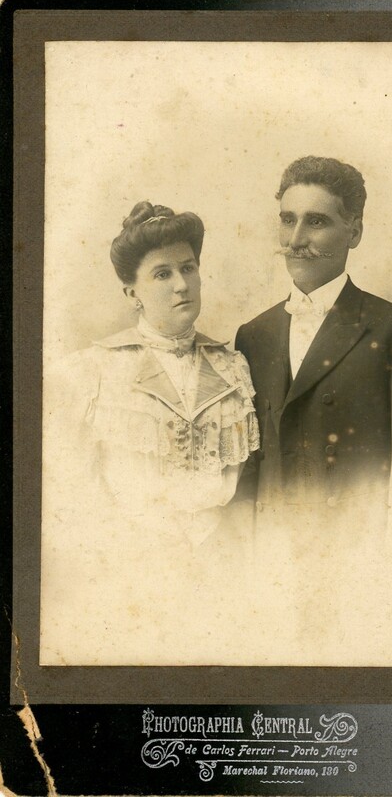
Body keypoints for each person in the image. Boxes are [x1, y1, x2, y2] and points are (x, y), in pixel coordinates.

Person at [234, 157, 392, 665]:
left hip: (358, 570)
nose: (295, 239)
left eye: (317, 221)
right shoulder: (253, 335)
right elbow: (249, 468)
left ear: (354, 231)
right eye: (287, 219)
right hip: (272, 570)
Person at [41, 202, 260, 665]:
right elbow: (70, 498)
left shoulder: (232, 367)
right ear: (132, 292)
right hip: (131, 575)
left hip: (223, 572)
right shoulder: (91, 372)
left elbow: (247, 488)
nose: (182, 284)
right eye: (162, 274)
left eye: (188, 268)